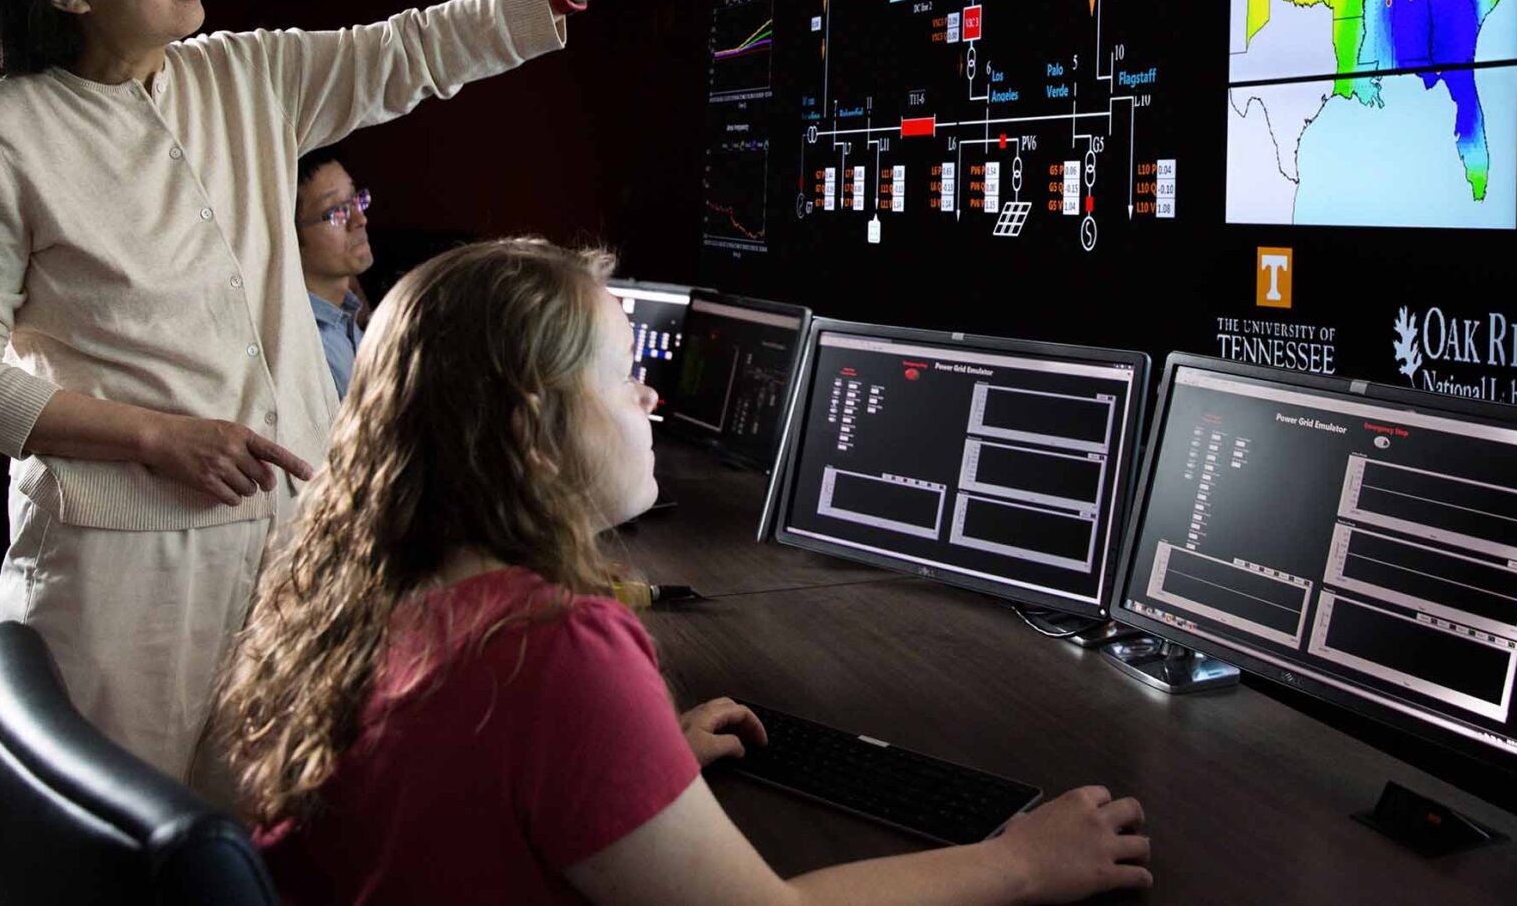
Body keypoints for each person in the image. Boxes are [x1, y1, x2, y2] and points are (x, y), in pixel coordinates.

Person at [0, 0, 697, 789]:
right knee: (142, 857)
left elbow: (411, 50)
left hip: (293, 548)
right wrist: (151, 436)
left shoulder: (241, 76)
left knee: (289, 833)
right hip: (123, 579)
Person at [220, 239, 1153, 904]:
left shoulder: (358, 584)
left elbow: (475, 773)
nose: (649, 394)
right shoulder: (550, 648)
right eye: (623, 373)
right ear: (528, 431)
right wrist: (1023, 861)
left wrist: (631, 756)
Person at [292, 145, 372, 401]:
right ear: (290, 234)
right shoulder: (306, 346)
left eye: (356, 200)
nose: (359, 219)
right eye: (337, 211)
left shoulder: (347, 318)